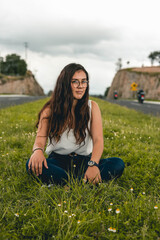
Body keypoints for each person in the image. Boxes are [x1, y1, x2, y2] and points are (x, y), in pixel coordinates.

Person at [26, 63, 125, 185]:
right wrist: (37, 151)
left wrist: (93, 164)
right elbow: (40, 138)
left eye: (84, 81)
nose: (80, 86)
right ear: (65, 84)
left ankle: (65, 183)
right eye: (75, 82)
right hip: (58, 161)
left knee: (117, 164)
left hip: (84, 161)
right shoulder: (49, 109)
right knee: (31, 164)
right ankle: (81, 182)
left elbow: (98, 140)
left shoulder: (92, 107)